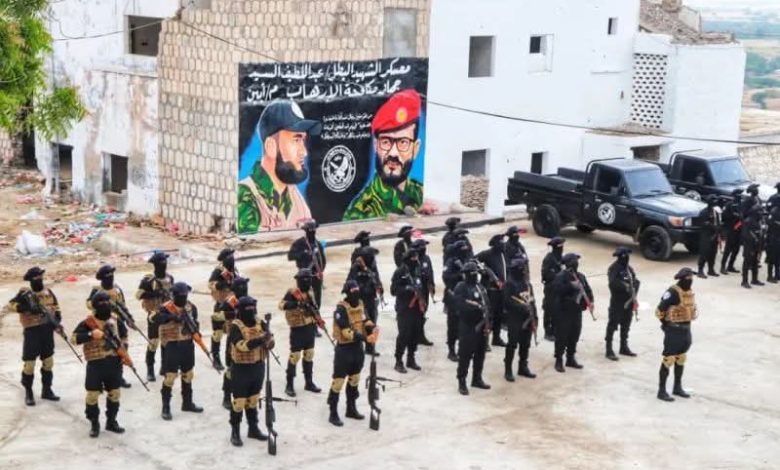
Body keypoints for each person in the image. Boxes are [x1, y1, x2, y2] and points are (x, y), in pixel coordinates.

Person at [237, 99, 322, 232]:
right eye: (296, 140)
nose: (304, 152)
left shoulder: (295, 198)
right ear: (271, 146)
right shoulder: (245, 195)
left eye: (303, 141)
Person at [343, 89, 425, 220]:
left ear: (415, 149)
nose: (393, 153)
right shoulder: (362, 210)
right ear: (376, 146)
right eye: (386, 142)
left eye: (403, 142)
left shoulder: (420, 192)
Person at [70, 292, 127, 437]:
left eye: (107, 301)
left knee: (115, 393)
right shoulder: (88, 323)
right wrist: (90, 335)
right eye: (101, 302)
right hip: (95, 364)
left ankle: (111, 422)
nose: (105, 305)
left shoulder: (116, 320)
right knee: (92, 395)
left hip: (114, 363)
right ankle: (94, 423)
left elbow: (124, 336)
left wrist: (123, 351)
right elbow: (74, 339)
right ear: (95, 306)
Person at [7, 267, 61, 406]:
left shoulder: (48, 292)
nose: (40, 279)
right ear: (31, 280)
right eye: (36, 278)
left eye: (41, 277)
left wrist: (57, 322)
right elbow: (11, 305)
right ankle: (29, 392)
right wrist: (26, 308)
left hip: (47, 331)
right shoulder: (24, 293)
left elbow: (57, 308)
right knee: (30, 364)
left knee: (48, 362)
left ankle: (47, 390)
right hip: (32, 332)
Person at [327, 280, 378, 426]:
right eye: (353, 292)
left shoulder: (360, 304)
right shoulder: (341, 309)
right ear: (347, 293)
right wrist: (365, 338)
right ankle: (333, 412)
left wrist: (373, 328)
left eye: (357, 291)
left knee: (354, 379)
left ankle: (351, 408)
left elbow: (366, 320)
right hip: (344, 350)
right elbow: (346, 332)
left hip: (357, 349)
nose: (356, 294)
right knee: (338, 382)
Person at [151, 282, 204, 420]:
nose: (183, 298)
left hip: (187, 344)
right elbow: (155, 319)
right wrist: (173, 317)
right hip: (172, 345)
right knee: (170, 376)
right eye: (180, 296)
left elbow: (195, 322)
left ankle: (187, 403)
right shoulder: (165, 308)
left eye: (185, 295)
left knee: (188, 374)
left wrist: (196, 332)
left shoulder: (191, 307)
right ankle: (166, 407)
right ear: (174, 295)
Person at [227, 296, 275, 447]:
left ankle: (253, 428)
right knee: (239, 402)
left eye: (252, 308)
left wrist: (269, 342)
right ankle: (235, 431)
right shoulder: (235, 326)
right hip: (241, 368)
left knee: (253, 400)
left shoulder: (260, 322)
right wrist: (260, 340)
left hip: (258, 366)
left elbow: (270, 340)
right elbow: (241, 345)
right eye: (247, 309)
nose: (251, 312)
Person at [655, 268, 698, 402]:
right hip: (673, 331)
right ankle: (661, 391)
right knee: (669, 359)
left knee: (681, 358)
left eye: (691, 278)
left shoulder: (689, 292)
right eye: (688, 278)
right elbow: (659, 311)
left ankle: (677, 387)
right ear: (682, 278)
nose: (690, 280)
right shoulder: (672, 292)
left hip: (686, 330)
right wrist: (666, 325)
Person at [278, 269, 322, 397]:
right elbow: (281, 305)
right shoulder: (292, 292)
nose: (309, 281)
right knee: (295, 356)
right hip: (297, 328)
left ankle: (309, 382)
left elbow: (314, 307)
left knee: (309, 354)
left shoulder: (310, 292)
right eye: (306, 279)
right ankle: (289, 384)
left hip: (309, 327)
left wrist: (317, 319)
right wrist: (296, 304)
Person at [87, 265, 132, 388]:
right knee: (103, 350)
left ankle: (119, 376)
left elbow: (123, 305)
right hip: (101, 322)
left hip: (116, 321)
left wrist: (128, 318)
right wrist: (102, 304)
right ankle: (101, 378)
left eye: (112, 275)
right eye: (108, 275)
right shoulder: (97, 290)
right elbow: (89, 304)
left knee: (120, 347)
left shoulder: (117, 289)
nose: (111, 278)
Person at [453, 262, 491, 395]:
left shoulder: (480, 287)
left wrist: (489, 321)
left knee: (480, 354)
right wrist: (476, 308)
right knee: (465, 355)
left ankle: (477, 378)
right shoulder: (461, 287)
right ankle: (462, 381)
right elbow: (460, 305)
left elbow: (487, 303)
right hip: (468, 326)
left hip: (482, 326)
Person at [135, 251, 174, 382]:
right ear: (156, 264)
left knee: (166, 341)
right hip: (154, 313)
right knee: (153, 342)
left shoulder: (169, 278)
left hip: (167, 313)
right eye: (162, 262)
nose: (164, 264)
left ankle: (164, 367)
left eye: (165, 261)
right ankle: (150, 369)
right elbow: (138, 295)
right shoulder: (149, 280)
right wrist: (155, 294)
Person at [551, 253, 593, 373]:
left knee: (574, 335)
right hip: (564, 312)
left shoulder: (581, 276)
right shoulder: (560, 277)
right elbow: (557, 291)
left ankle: (570, 358)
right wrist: (570, 286)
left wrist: (590, 301)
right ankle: (559, 359)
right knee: (562, 336)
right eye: (574, 261)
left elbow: (588, 290)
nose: (576, 263)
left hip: (577, 311)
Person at [216, 276, 250, 410]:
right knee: (231, 369)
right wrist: (233, 314)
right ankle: (226, 396)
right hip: (233, 338)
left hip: (248, 337)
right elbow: (218, 315)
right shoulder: (230, 302)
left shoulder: (249, 301)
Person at [502, 256, 537, 382]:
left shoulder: (527, 284)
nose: (524, 271)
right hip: (514, 318)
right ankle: (508, 369)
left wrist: (535, 318)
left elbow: (532, 301)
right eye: (522, 269)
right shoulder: (509, 284)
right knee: (512, 344)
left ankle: (523, 367)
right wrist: (521, 307)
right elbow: (507, 301)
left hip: (527, 318)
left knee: (525, 344)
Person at [390, 249, 424, 373]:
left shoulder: (417, 270)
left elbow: (420, 285)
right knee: (404, 334)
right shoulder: (400, 272)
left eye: (416, 257)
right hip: (404, 308)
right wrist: (408, 288)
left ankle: (411, 358)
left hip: (417, 307)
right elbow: (393, 290)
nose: (416, 260)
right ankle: (398, 360)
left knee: (415, 333)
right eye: (413, 258)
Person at [605, 247, 640, 361]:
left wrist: (634, 292)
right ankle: (609, 349)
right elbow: (612, 283)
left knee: (626, 325)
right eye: (625, 256)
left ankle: (623, 347)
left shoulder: (629, 269)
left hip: (628, 301)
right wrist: (625, 287)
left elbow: (635, 281)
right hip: (617, 302)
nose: (627, 258)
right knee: (613, 325)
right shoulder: (614, 268)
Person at [208, 248, 240, 371]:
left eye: (232, 255)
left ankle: (230, 358)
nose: (232, 258)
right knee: (218, 333)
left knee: (232, 333)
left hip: (233, 304)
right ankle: (215, 357)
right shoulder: (218, 271)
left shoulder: (234, 270)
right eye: (229, 256)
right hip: (221, 304)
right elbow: (210, 284)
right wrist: (219, 285)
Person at [348, 246, 382, 355]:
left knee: (372, 322)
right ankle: (357, 347)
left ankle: (370, 347)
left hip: (371, 299)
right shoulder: (355, 268)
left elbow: (376, 279)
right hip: (360, 300)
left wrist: (380, 288)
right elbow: (349, 283)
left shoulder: (371, 267)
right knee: (360, 324)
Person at [477, 234, 509, 347]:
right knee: (488, 315)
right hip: (491, 290)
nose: (504, 245)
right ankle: (484, 341)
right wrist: (483, 272)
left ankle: (496, 338)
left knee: (499, 315)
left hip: (502, 290)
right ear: (495, 245)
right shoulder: (487, 254)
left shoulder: (503, 254)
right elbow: (474, 261)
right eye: (501, 243)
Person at [442, 240, 471, 362]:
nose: (465, 250)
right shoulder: (451, 261)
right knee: (453, 325)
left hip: (465, 297)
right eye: (462, 249)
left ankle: (462, 349)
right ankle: (451, 350)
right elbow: (445, 277)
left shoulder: (466, 260)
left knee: (464, 325)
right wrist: (459, 275)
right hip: (453, 297)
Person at [288, 220, 327, 309]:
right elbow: (290, 256)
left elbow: (323, 260)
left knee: (317, 298)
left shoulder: (318, 244)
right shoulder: (299, 243)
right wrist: (304, 253)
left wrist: (321, 271)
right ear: (306, 231)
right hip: (304, 276)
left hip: (316, 276)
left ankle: (316, 311)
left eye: (314, 230)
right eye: (310, 230)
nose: (312, 232)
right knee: (303, 297)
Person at [541, 237, 566, 341]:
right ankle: (548, 332)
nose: (562, 249)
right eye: (560, 247)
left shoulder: (561, 258)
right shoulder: (549, 259)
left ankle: (556, 330)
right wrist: (557, 276)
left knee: (559, 310)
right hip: (551, 288)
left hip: (560, 289)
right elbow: (545, 275)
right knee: (549, 309)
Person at [412, 238, 436, 347]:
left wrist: (432, 285)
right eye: (422, 247)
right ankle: (416, 335)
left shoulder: (426, 258)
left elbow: (430, 272)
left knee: (423, 312)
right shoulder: (413, 260)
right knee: (417, 314)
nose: (424, 249)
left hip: (425, 289)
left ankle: (420, 335)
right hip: (417, 291)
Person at [741, 184, 764, 289]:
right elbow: (743, 215)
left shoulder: (758, 199)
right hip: (749, 231)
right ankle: (744, 280)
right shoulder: (747, 201)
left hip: (757, 229)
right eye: (755, 189)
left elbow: (761, 213)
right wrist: (753, 209)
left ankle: (754, 279)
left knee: (756, 257)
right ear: (751, 190)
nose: (757, 190)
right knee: (748, 257)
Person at [696, 196, 721, 279]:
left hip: (714, 234)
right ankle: (700, 270)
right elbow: (703, 223)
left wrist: (718, 231)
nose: (715, 201)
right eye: (713, 200)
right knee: (704, 253)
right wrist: (712, 226)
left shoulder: (715, 212)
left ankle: (711, 270)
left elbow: (718, 222)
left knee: (713, 253)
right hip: (706, 235)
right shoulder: (704, 212)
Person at [720, 189, 743, 275]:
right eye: (738, 194)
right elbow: (724, 216)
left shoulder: (741, 204)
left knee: (736, 250)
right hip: (730, 229)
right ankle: (723, 266)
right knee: (728, 249)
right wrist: (734, 216)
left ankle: (730, 265)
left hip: (739, 230)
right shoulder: (729, 205)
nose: (740, 196)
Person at [766, 203, 780, 283]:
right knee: (771, 258)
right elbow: (769, 222)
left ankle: (777, 274)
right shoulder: (774, 211)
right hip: (772, 238)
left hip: (778, 237)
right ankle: (770, 276)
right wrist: (777, 223)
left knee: (778, 258)